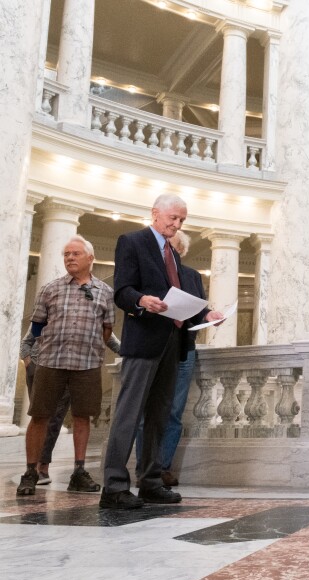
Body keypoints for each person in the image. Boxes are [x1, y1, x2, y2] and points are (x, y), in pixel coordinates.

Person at [101, 193, 224, 509]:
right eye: (174, 218)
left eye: (182, 219)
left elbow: (180, 300)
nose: (178, 223)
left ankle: (151, 482)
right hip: (144, 341)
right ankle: (114, 487)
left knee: (159, 417)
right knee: (128, 416)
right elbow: (123, 291)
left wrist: (205, 315)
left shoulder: (173, 252)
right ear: (155, 213)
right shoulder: (133, 242)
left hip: (172, 343)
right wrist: (142, 301)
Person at [16, 236, 115, 496]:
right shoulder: (51, 288)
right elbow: (37, 325)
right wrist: (41, 351)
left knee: (82, 417)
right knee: (40, 417)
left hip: (87, 365)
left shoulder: (105, 292)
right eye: (66, 254)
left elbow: (107, 328)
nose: (70, 258)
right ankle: (31, 472)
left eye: (75, 253)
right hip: (52, 362)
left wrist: (94, 346)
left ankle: (79, 472)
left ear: (90, 258)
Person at [134, 231, 202, 487]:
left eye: (170, 247)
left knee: (173, 411)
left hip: (183, 348)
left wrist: (209, 317)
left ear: (180, 251)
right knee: (146, 412)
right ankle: (144, 467)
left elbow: (197, 312)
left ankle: (162, 467)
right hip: (153, 345)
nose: (165, 251)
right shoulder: (149, 274)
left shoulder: (192, 276)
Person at [20, 329, 120, 485]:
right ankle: (33, 469)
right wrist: (29, 365)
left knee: (55, 420)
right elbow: (27, 341)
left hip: (72, 368)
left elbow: (109, 336)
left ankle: (42, 467)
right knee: (40, 417)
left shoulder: (91, 311)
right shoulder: (50, 307)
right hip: (40, 367)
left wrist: (130, 353)